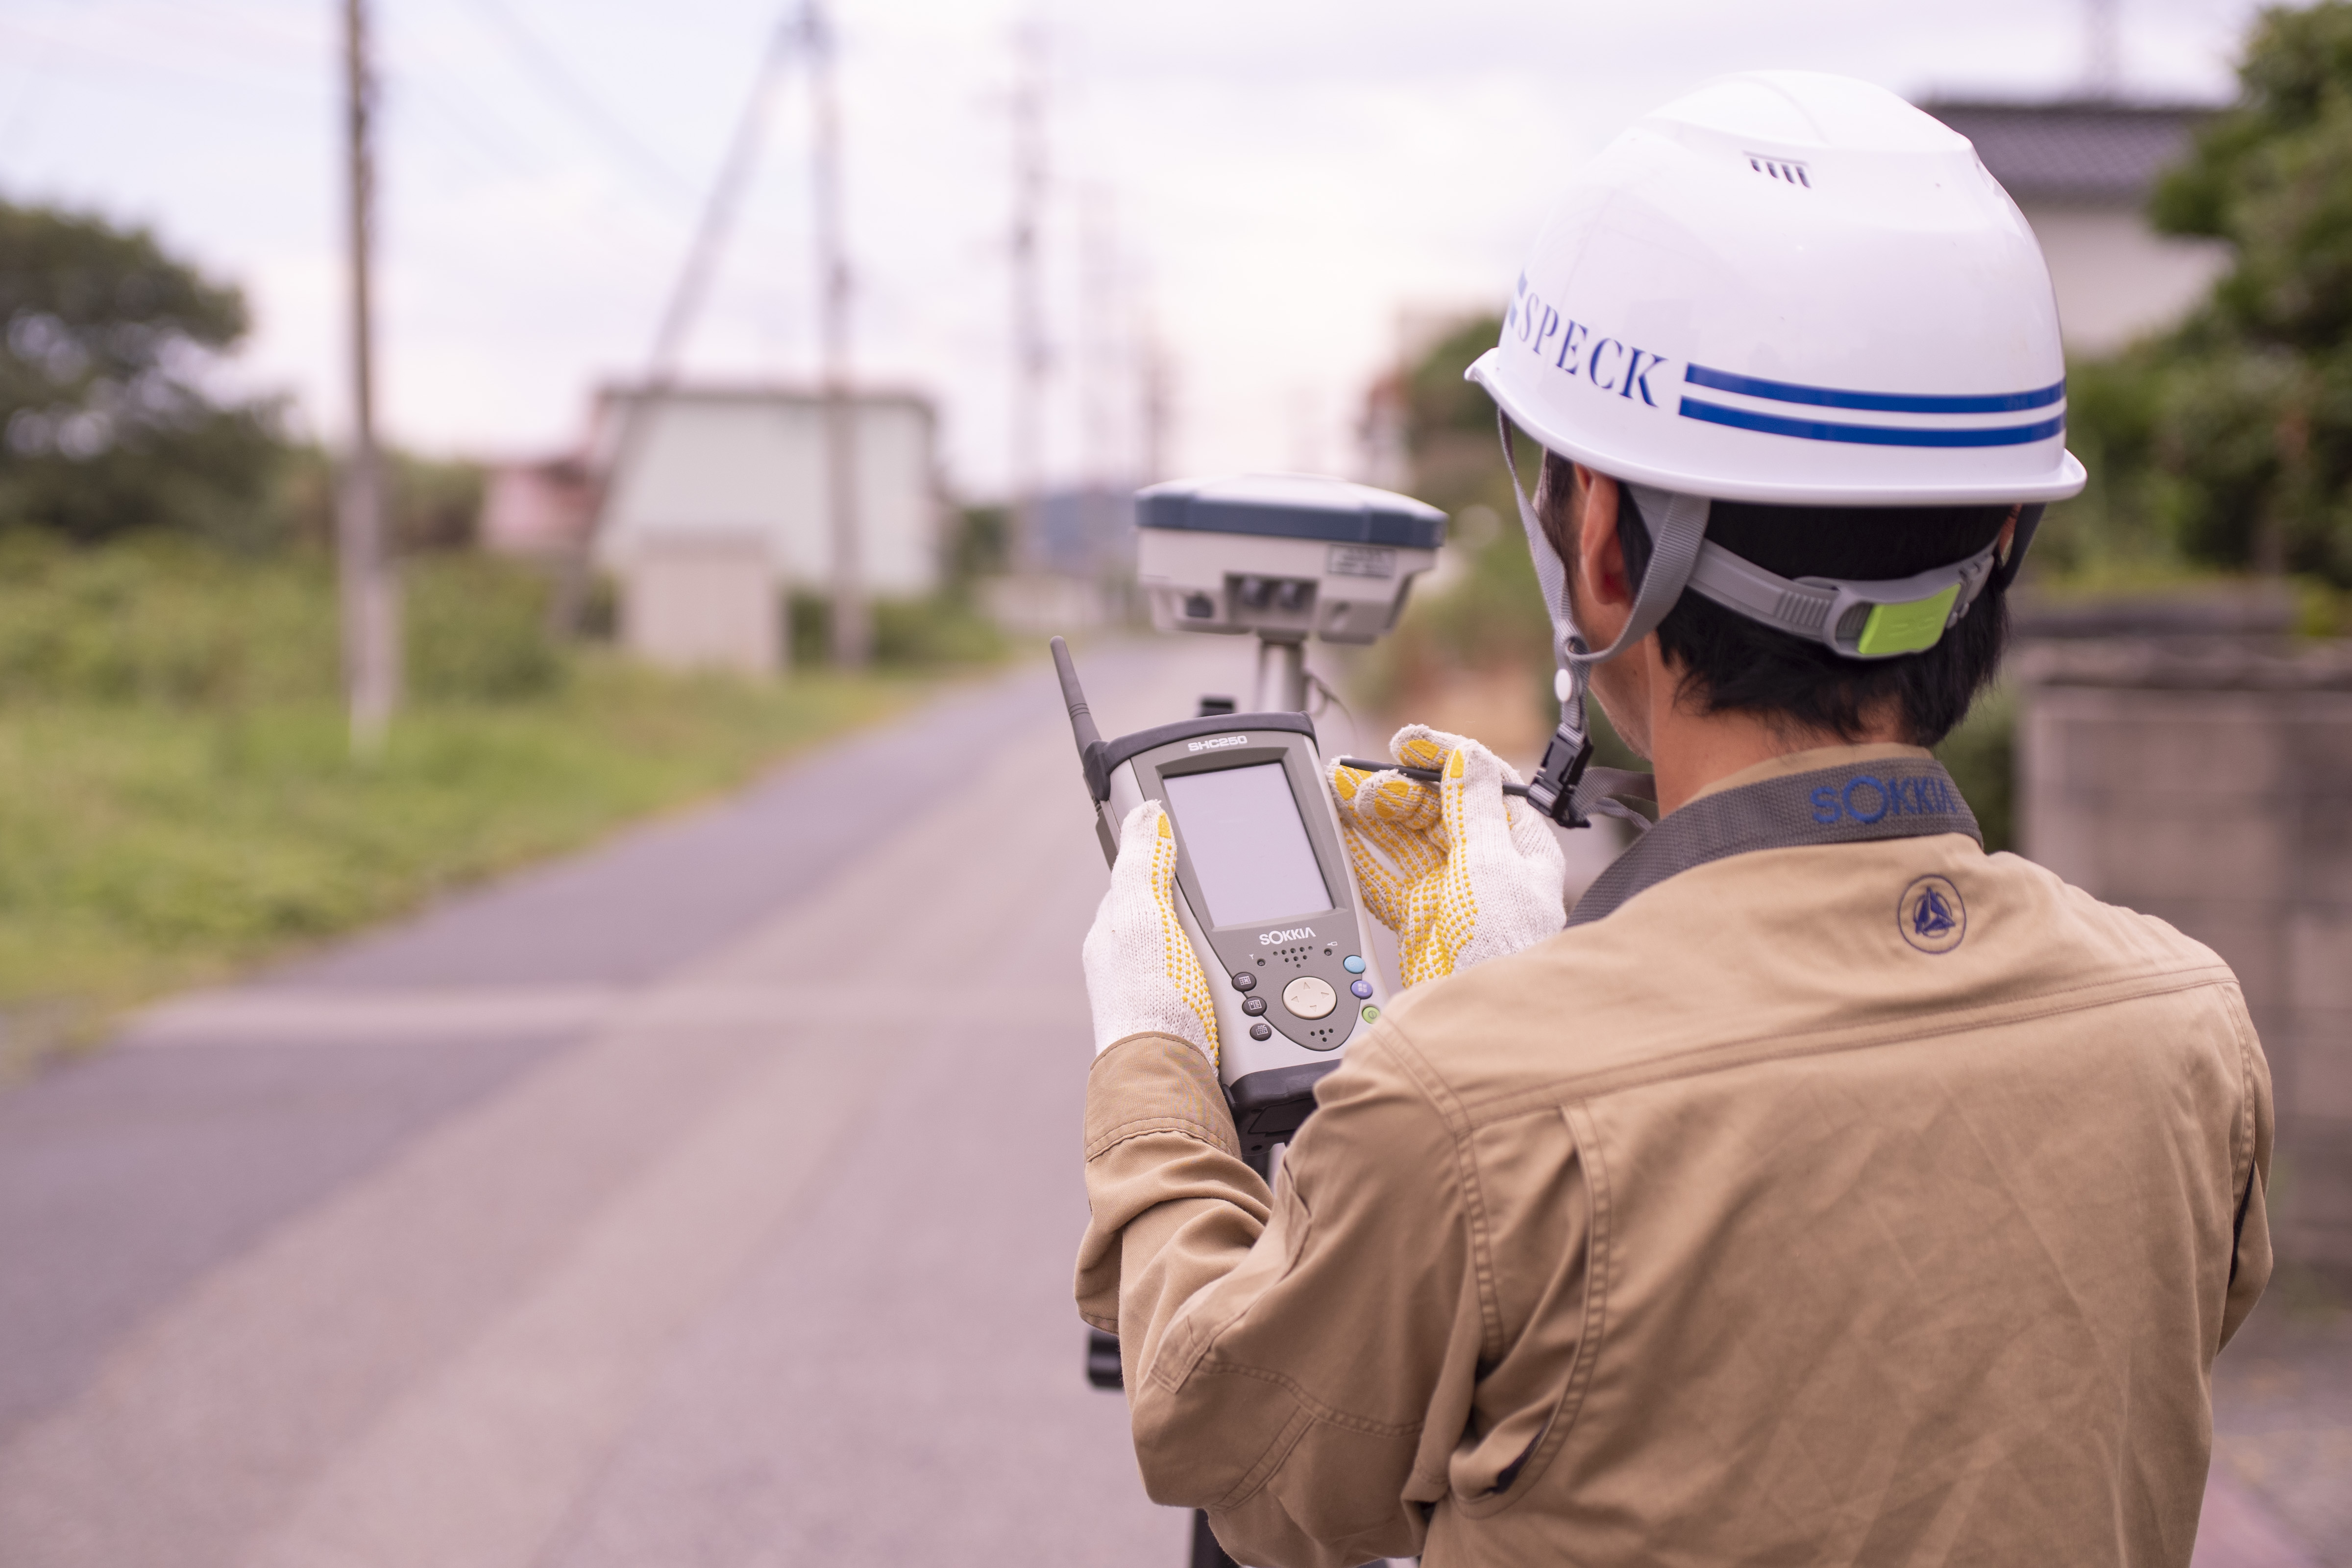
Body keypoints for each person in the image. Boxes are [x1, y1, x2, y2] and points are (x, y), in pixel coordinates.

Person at [1074, 72, 2273, 1568]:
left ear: (1598, 550)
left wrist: (1157, 1060)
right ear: (2009, 535)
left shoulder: (1463, 1107)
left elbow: (1244, 1461)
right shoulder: (2186, 1032)